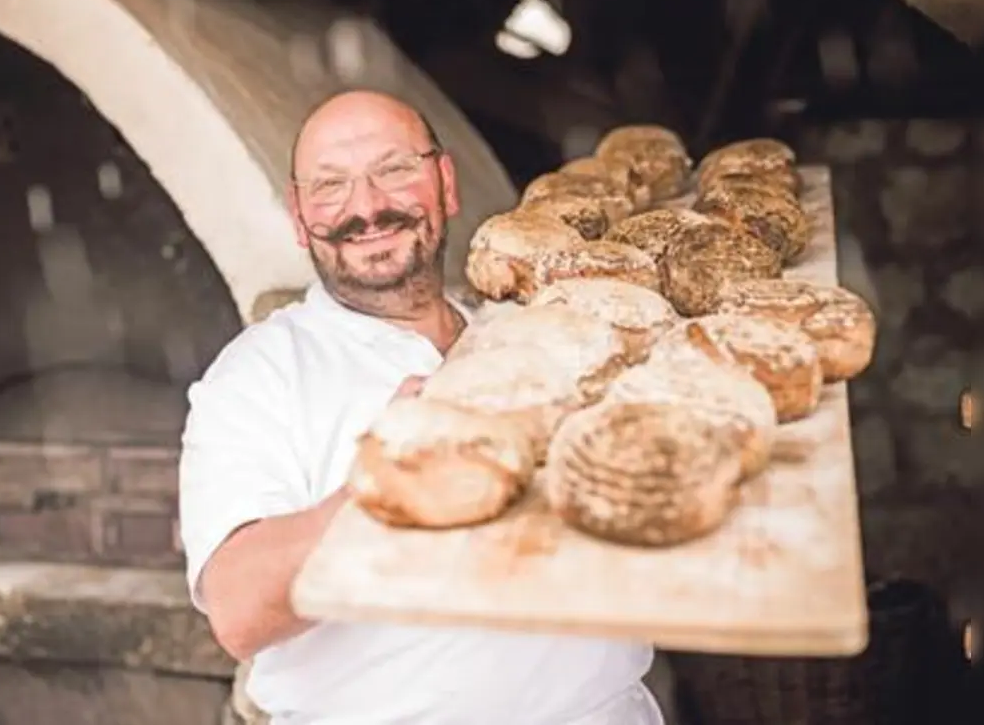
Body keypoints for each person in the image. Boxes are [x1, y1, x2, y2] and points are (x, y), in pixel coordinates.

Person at [178, 90, 663, 724]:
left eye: (395, 169)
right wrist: (376, 487)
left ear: (445, 182)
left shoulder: (529, 330)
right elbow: (239, 611)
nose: (368, 207)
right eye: (331, 186)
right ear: (299, 218)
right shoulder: (259, 374)